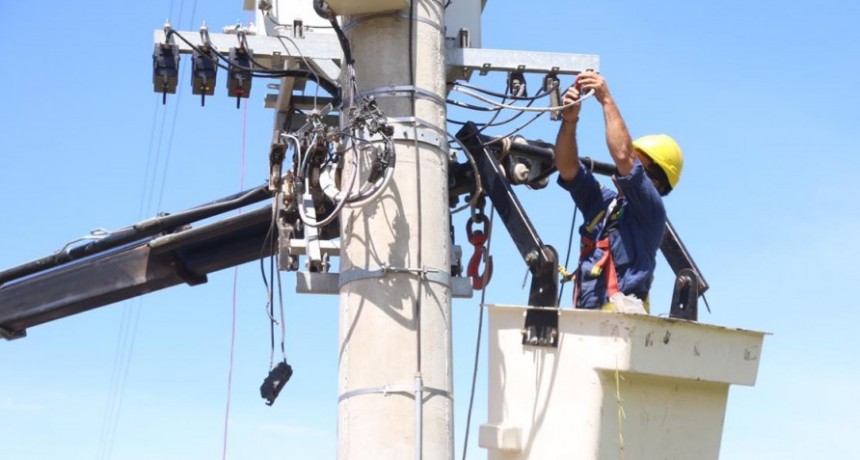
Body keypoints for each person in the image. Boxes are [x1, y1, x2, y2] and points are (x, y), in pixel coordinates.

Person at [554, 71, 684, 312]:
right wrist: (569, 121)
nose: (625, 166)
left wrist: (606, 100)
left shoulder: (650, 213)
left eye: (639, 165)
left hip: (622, 324)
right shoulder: (605, 206)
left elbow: (623, 156)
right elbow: (567, 167)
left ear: (654, 182)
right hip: (588, 321)